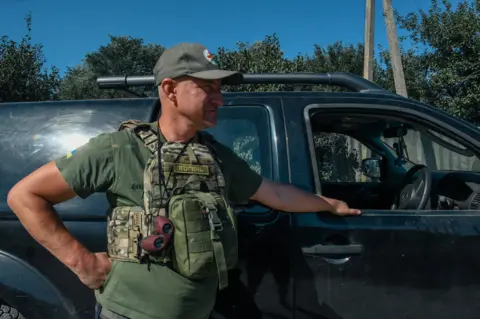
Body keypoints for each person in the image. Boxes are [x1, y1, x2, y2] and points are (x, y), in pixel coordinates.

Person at [7, 43, 361, 319]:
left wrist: (330, 204)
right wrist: (83, 264)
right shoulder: (118, 149)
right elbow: (25, 196)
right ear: (170, 89)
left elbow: (274, 193)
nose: (220, 99)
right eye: (208, 88)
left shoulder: (215, 156)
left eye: (220, 89)